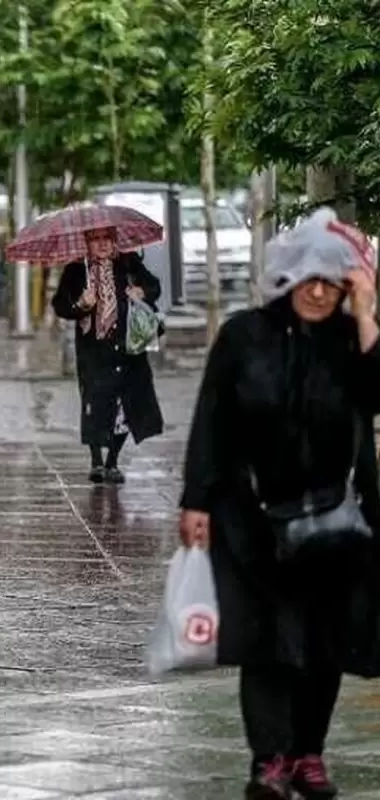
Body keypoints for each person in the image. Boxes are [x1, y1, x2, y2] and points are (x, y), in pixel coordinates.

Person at [179, 208, 380, 800]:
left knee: (324, 642)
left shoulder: (350, 339)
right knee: (267, 642)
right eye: (307, 279)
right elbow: (210, 421)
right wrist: (198, 500)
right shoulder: (243, 336)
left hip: (337, 518)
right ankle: (269, 759)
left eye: (332, 281)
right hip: (254, 516)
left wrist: (367, 311)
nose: (318, 292)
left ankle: (308, 754)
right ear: (287, 279)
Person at [50, 228, 164, 483]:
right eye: (96, 240)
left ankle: (113, 461)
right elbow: (60, 305)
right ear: (87, 243)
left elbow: (154, 286)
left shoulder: (129, 262)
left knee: (125, 406)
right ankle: (96, 462)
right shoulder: (76, 270)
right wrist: (81, 305)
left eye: (107, 239)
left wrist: (141, 292)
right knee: (95, 404)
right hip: (94, 351)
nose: (102, 245)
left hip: (128, 348)